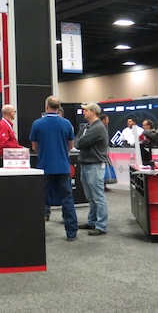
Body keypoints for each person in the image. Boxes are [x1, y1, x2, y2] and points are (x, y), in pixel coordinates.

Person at [30, 96, 78, 241]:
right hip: (63, 167)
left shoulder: (37, 124)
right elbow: (70, 146)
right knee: (67, 200)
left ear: (46, 107)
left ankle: (38, 231)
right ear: (59, 107)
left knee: (41, 200)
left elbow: (34, 147)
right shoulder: (66, 123)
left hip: (44, 167)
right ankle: (71, 232)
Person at [75, 102, 109, 236]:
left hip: (94, 165)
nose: (84, 112)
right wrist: (79, 141)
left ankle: (101, 225)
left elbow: (80, 143)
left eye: (86, 110)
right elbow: (78, 139)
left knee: (98, 197)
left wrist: (79, 141)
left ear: (93, 112)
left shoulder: (97, 128)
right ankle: (92, 221)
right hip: (87, 164)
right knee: (91, 197)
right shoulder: (89, 127)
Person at [99, 114, 112, 192]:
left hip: (104, 152)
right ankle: (102, 185)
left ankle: (104, 184)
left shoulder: (104, 128)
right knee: (101, 169)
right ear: (103, 120)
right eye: (107, 119)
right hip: (101, 154)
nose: (108, 121)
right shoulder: (100, 128)